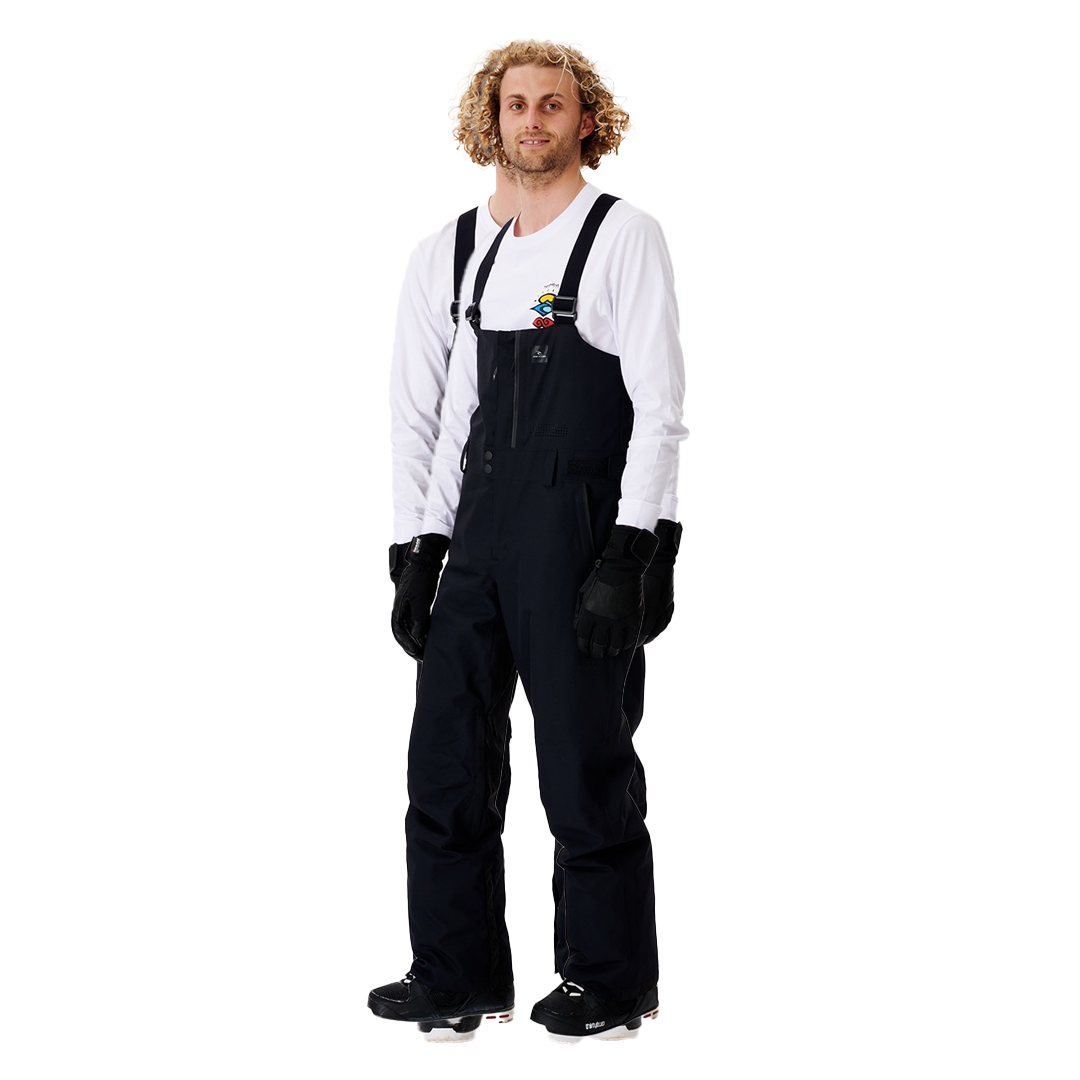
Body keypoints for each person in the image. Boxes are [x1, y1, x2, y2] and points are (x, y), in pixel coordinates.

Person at [372, 40, 687, 1042]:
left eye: (553, 105)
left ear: (585, 119)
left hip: (576, 532)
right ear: (494, 120)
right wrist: (423, 547)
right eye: (517, 106)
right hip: (480, 532)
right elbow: (456, 415)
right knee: (446, 761)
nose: (533, 121)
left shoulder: (623, 236)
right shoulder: (487, 252)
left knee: (584, 764)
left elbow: (660, 412)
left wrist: (639, 549)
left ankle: (611, 981)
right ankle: (454, 973)